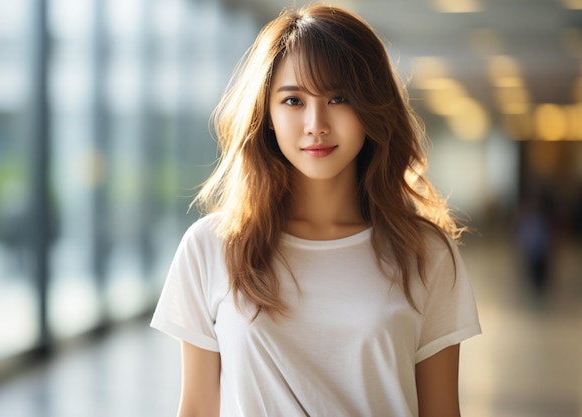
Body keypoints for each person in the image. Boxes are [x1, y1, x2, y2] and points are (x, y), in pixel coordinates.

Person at [151, 4, 481, 417]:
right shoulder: (211, 248)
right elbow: (198, 408)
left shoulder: (427, 253)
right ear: (266, 115)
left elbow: (441, 411)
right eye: (293, 100)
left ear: (371, 108)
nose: (316, 123)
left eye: (339, 98)